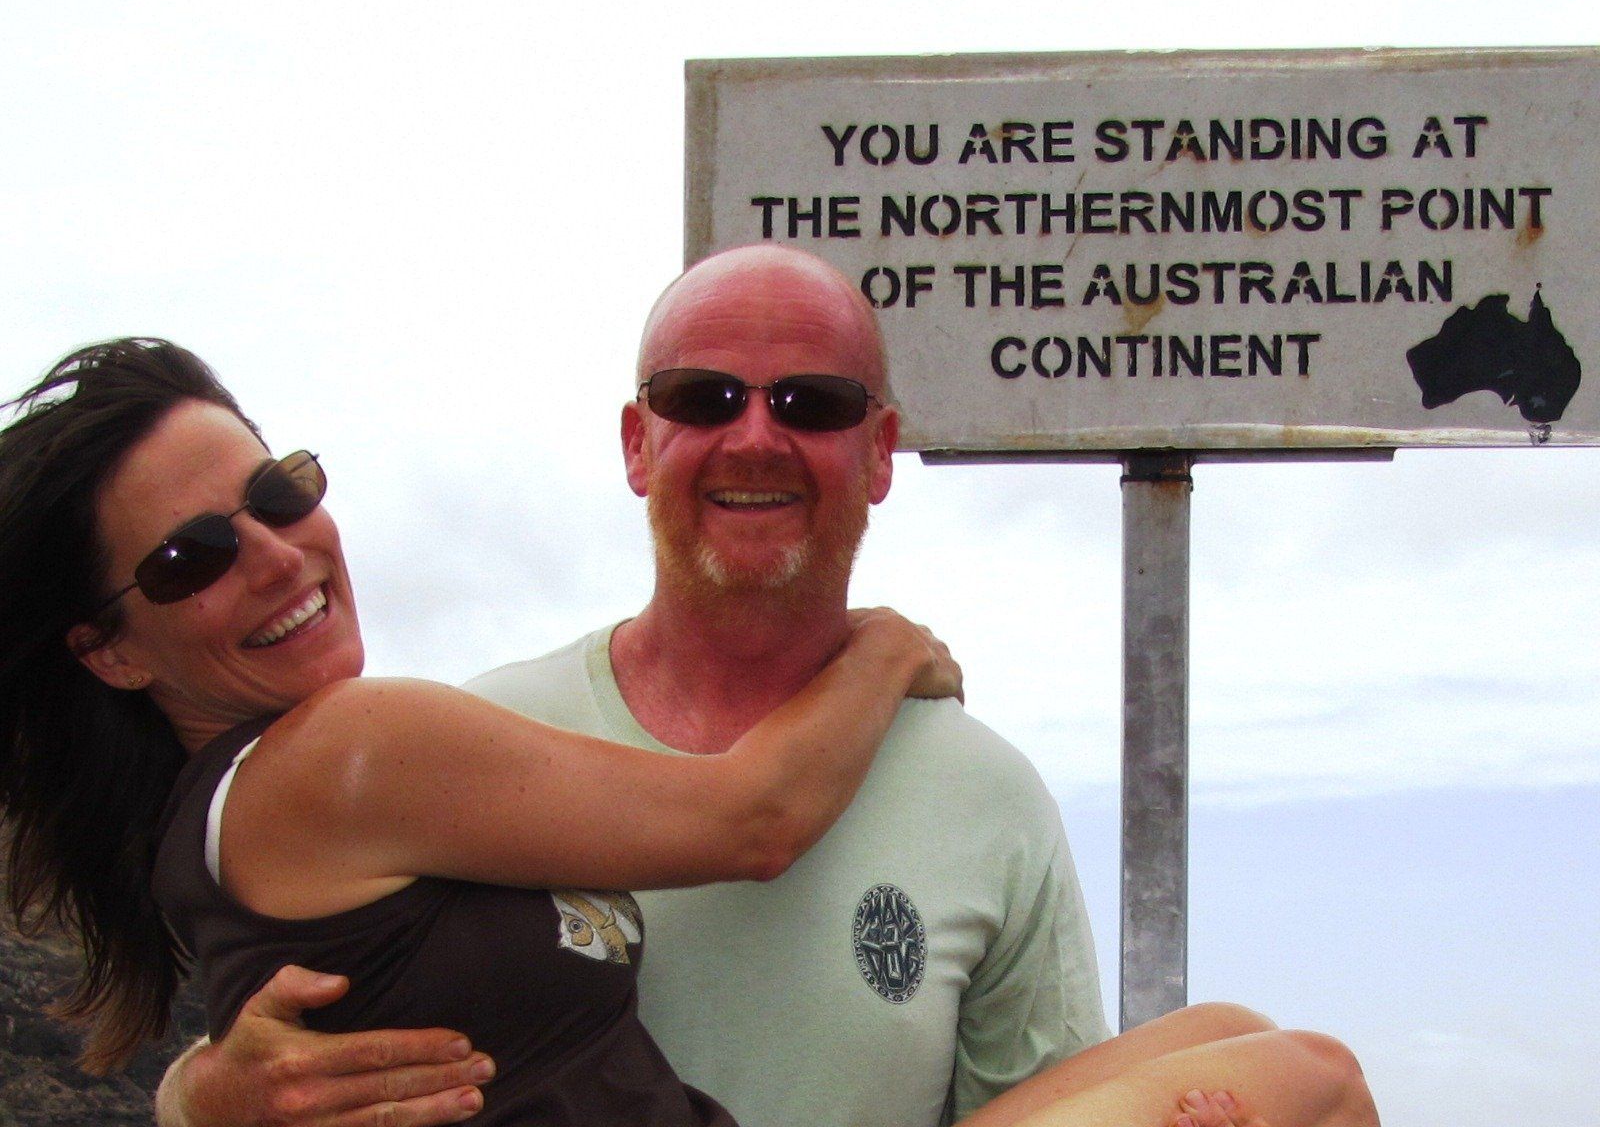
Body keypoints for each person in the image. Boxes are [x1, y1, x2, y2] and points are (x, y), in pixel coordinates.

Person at [149, 245, 1378, 1127]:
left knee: (1235, 1037)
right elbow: (751, 821)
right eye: (702, 399)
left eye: (811, 403)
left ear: (880, 452)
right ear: (639, 444)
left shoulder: (985, 795)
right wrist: (201, 1093)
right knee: (1317, 1078)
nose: (753, 436)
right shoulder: (480, 738)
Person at [0, 336, 965, 1126]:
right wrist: (886, 648)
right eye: (189, 558)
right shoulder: (348, 748)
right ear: (111, 653)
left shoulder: (222, 823)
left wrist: (194, 1094)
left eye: (278, 494)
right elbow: (755, 820)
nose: (274, 557)